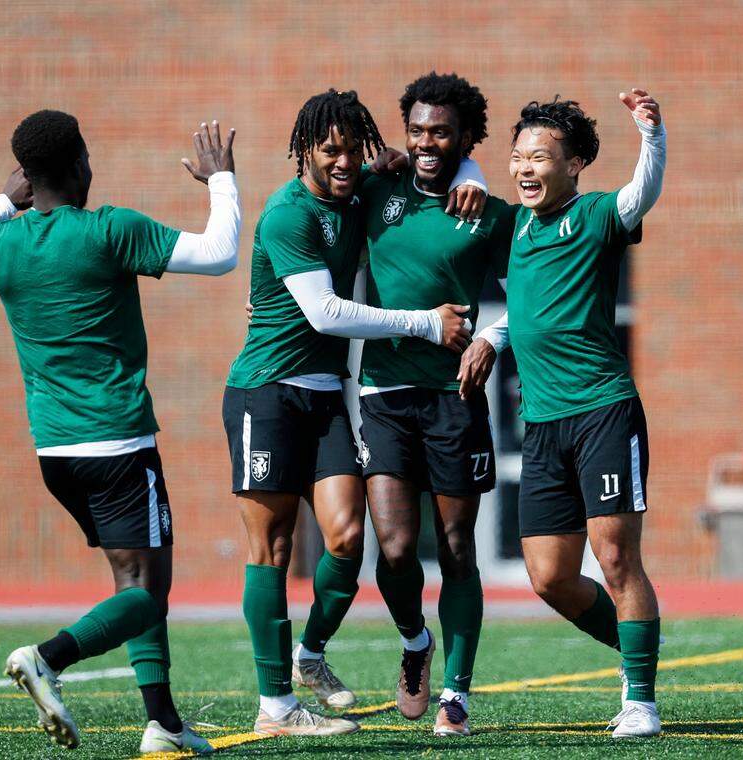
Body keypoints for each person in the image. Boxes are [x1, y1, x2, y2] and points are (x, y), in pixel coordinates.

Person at [0, 110, 240, 755]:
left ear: (27, 177)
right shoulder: (108, 229)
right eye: (87, 159)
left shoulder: (1, 243)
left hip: (56, 453)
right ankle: (48, 658)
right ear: (75, 167)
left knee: (137, 585)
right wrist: (222, 181)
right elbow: (219, 254)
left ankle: (164, 724)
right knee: (148, 594)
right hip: (120, 443)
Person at [222, 88, 484, 737]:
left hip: (324, 395)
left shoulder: (362, 190)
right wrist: (425, 324)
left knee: (345, 539)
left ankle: (310, 652)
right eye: (328, 149)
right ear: (302, 150)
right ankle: (275, 707)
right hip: (266, 390)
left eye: (351, 149)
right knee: (273, 547)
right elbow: (325, 313)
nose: (342, 161)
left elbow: (429, 167)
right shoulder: (287, 214)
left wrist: (473, 176)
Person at [502, 89, 666, 738]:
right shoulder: (510, 225)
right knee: (548, 577)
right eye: (517, 157)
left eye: (540, 156)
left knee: (616, 558)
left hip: (603, 411)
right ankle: (635, 652)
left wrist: (651, 133)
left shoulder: (597, 214)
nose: (524, 168)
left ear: (573, 166)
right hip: (541, 425)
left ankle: (642, 700)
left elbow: (642, 192)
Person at [356, 71, 513, 737]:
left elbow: (531, 291)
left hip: (456, 398)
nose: (425, 141)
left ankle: (457, 692)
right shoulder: (377, 191)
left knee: (455, 547)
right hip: (385, 394)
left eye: (440, 132)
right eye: (416, 129)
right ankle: (415, 641)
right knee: (393, 549)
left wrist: (490, 337)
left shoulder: (488, 212)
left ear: (465, 138)